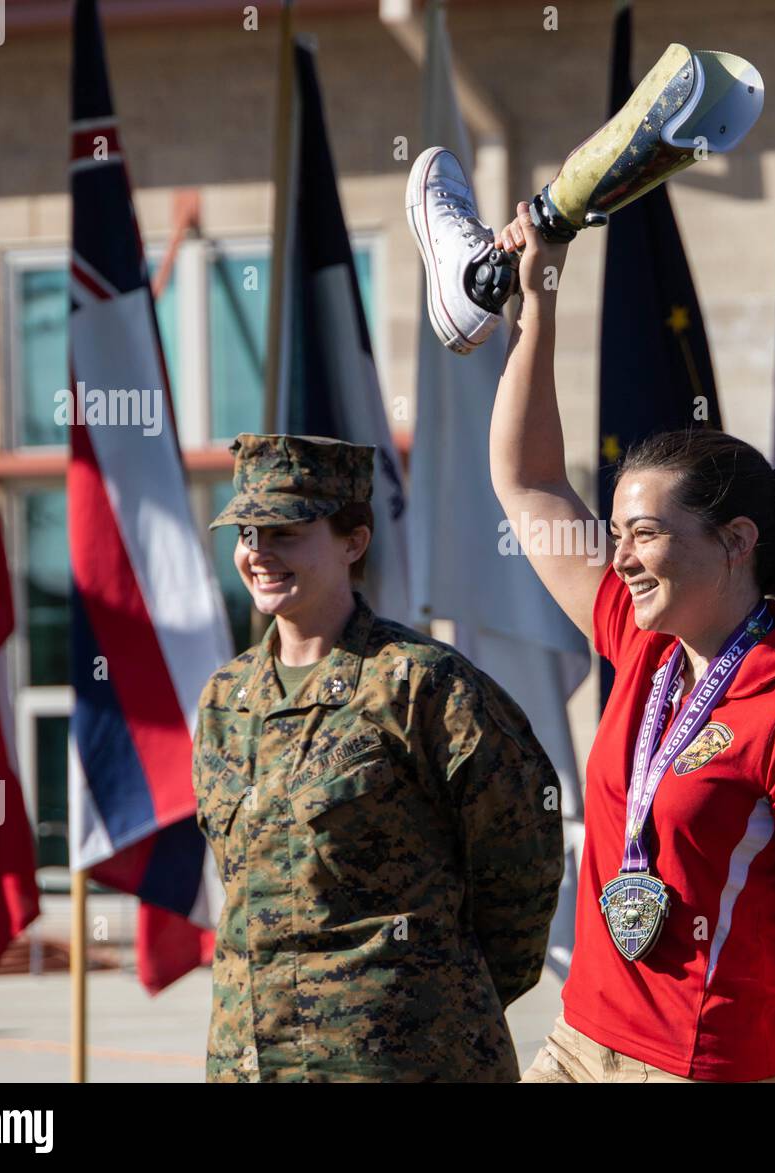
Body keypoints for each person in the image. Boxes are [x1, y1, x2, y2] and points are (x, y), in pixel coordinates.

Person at [447, 177, 775, 1082]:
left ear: (734, 543)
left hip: (695, 1068)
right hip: (576, 1041)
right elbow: (526, 481)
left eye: (644, 533)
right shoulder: (646, 641)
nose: (621, 555)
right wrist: (540, 295)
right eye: (617, 532)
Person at [192, 432, 564, 1083]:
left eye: (285, 531)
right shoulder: (227, 697)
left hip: (400, 1060)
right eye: (247, 530)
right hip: (252, 1059)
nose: (259, 551)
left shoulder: (422, 685)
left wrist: (435, 997)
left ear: (353, 541)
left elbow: (522, 870)